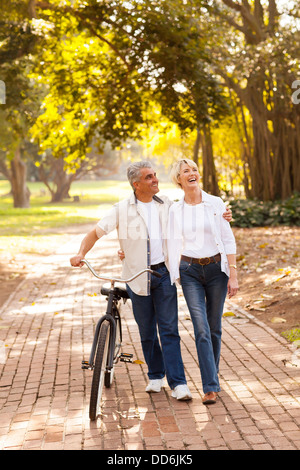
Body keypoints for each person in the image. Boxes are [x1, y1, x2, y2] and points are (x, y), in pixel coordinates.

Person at [70, 161, 231, 401]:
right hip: (136, 276)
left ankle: (179, 383)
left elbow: (195, 211)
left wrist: (223, 214)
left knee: (169, 330)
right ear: (136, 184)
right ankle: (156, 375)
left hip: (164, 274)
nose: (155, 180)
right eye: (149, 177)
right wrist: (81, 254)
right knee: (146, 332)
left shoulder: (167, 205)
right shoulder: (121, 209)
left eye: (155, 176)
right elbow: (95, 232)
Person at [167, 158, 238, 405]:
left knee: (214, 326)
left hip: (217, 270)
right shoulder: (175, 209)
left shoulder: (215, 203)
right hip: (189, 271)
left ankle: (212, 377)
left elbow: (228, 239)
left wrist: (234, 274)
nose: (192, 173)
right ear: (179, 179)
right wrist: (127, 250)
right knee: (201, 328)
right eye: (186, 171)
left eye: (195, 169)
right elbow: (161, 237)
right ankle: (210, 386)